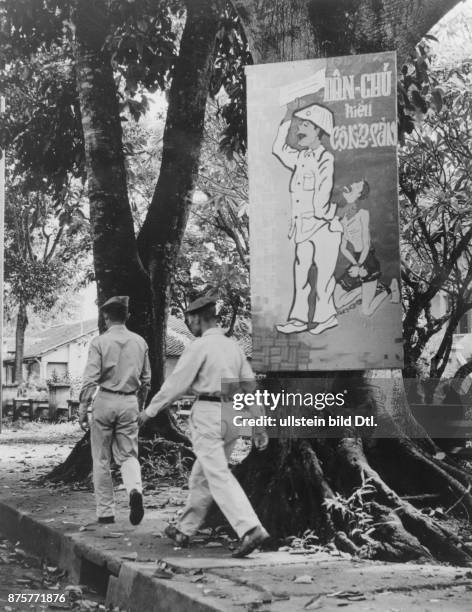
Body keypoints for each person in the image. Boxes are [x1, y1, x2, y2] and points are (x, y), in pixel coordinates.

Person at [138, 295, 270, 558]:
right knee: (202, 475)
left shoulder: (200, 347)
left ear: (197, 318)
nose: (189, 325)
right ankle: (184, 530)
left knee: (218, 474)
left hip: (209, 413)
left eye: (189, 320)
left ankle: (250, 528)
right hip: (233, 414)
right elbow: (250, 386)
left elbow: (176, 383)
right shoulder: (233, 347)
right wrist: (259, 424)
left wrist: (150, 411)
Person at [78, 296, 151, 526]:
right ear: (127, 316)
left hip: (105, 400)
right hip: (130, 401)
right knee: (129, 455)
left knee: (100, 458)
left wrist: (83, 407)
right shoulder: (140, 342)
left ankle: (106, 512)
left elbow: (90, 379)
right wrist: (141, 404)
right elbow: (147, 380)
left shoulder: (99, 343)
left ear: (106, 317)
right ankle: (134, 490)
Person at [273, 102, 343, 336]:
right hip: (303, 227)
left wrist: (326, 216)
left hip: (323, 227)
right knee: (301, 274)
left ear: (318, 130)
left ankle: (326, 317)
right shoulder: (300, 157)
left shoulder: (325, 158)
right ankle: (299, 319)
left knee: (323, 276)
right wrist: (284, 118)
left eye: (304, 125)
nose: (299, 130)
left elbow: (322, 194)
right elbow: (278, 149)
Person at [334, 180, 399, 315]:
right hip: (356, 261)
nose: (353, 185)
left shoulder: (363, 214)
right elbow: (343, 248)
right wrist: (355, 265)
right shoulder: (342, 219)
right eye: (355, 183)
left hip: (368, 261)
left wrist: (358, 265)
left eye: (357, 186)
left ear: (359, 194)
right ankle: (370, 290)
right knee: (337, 301)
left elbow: (366, 244)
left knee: (367, 311)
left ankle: (387, 289)